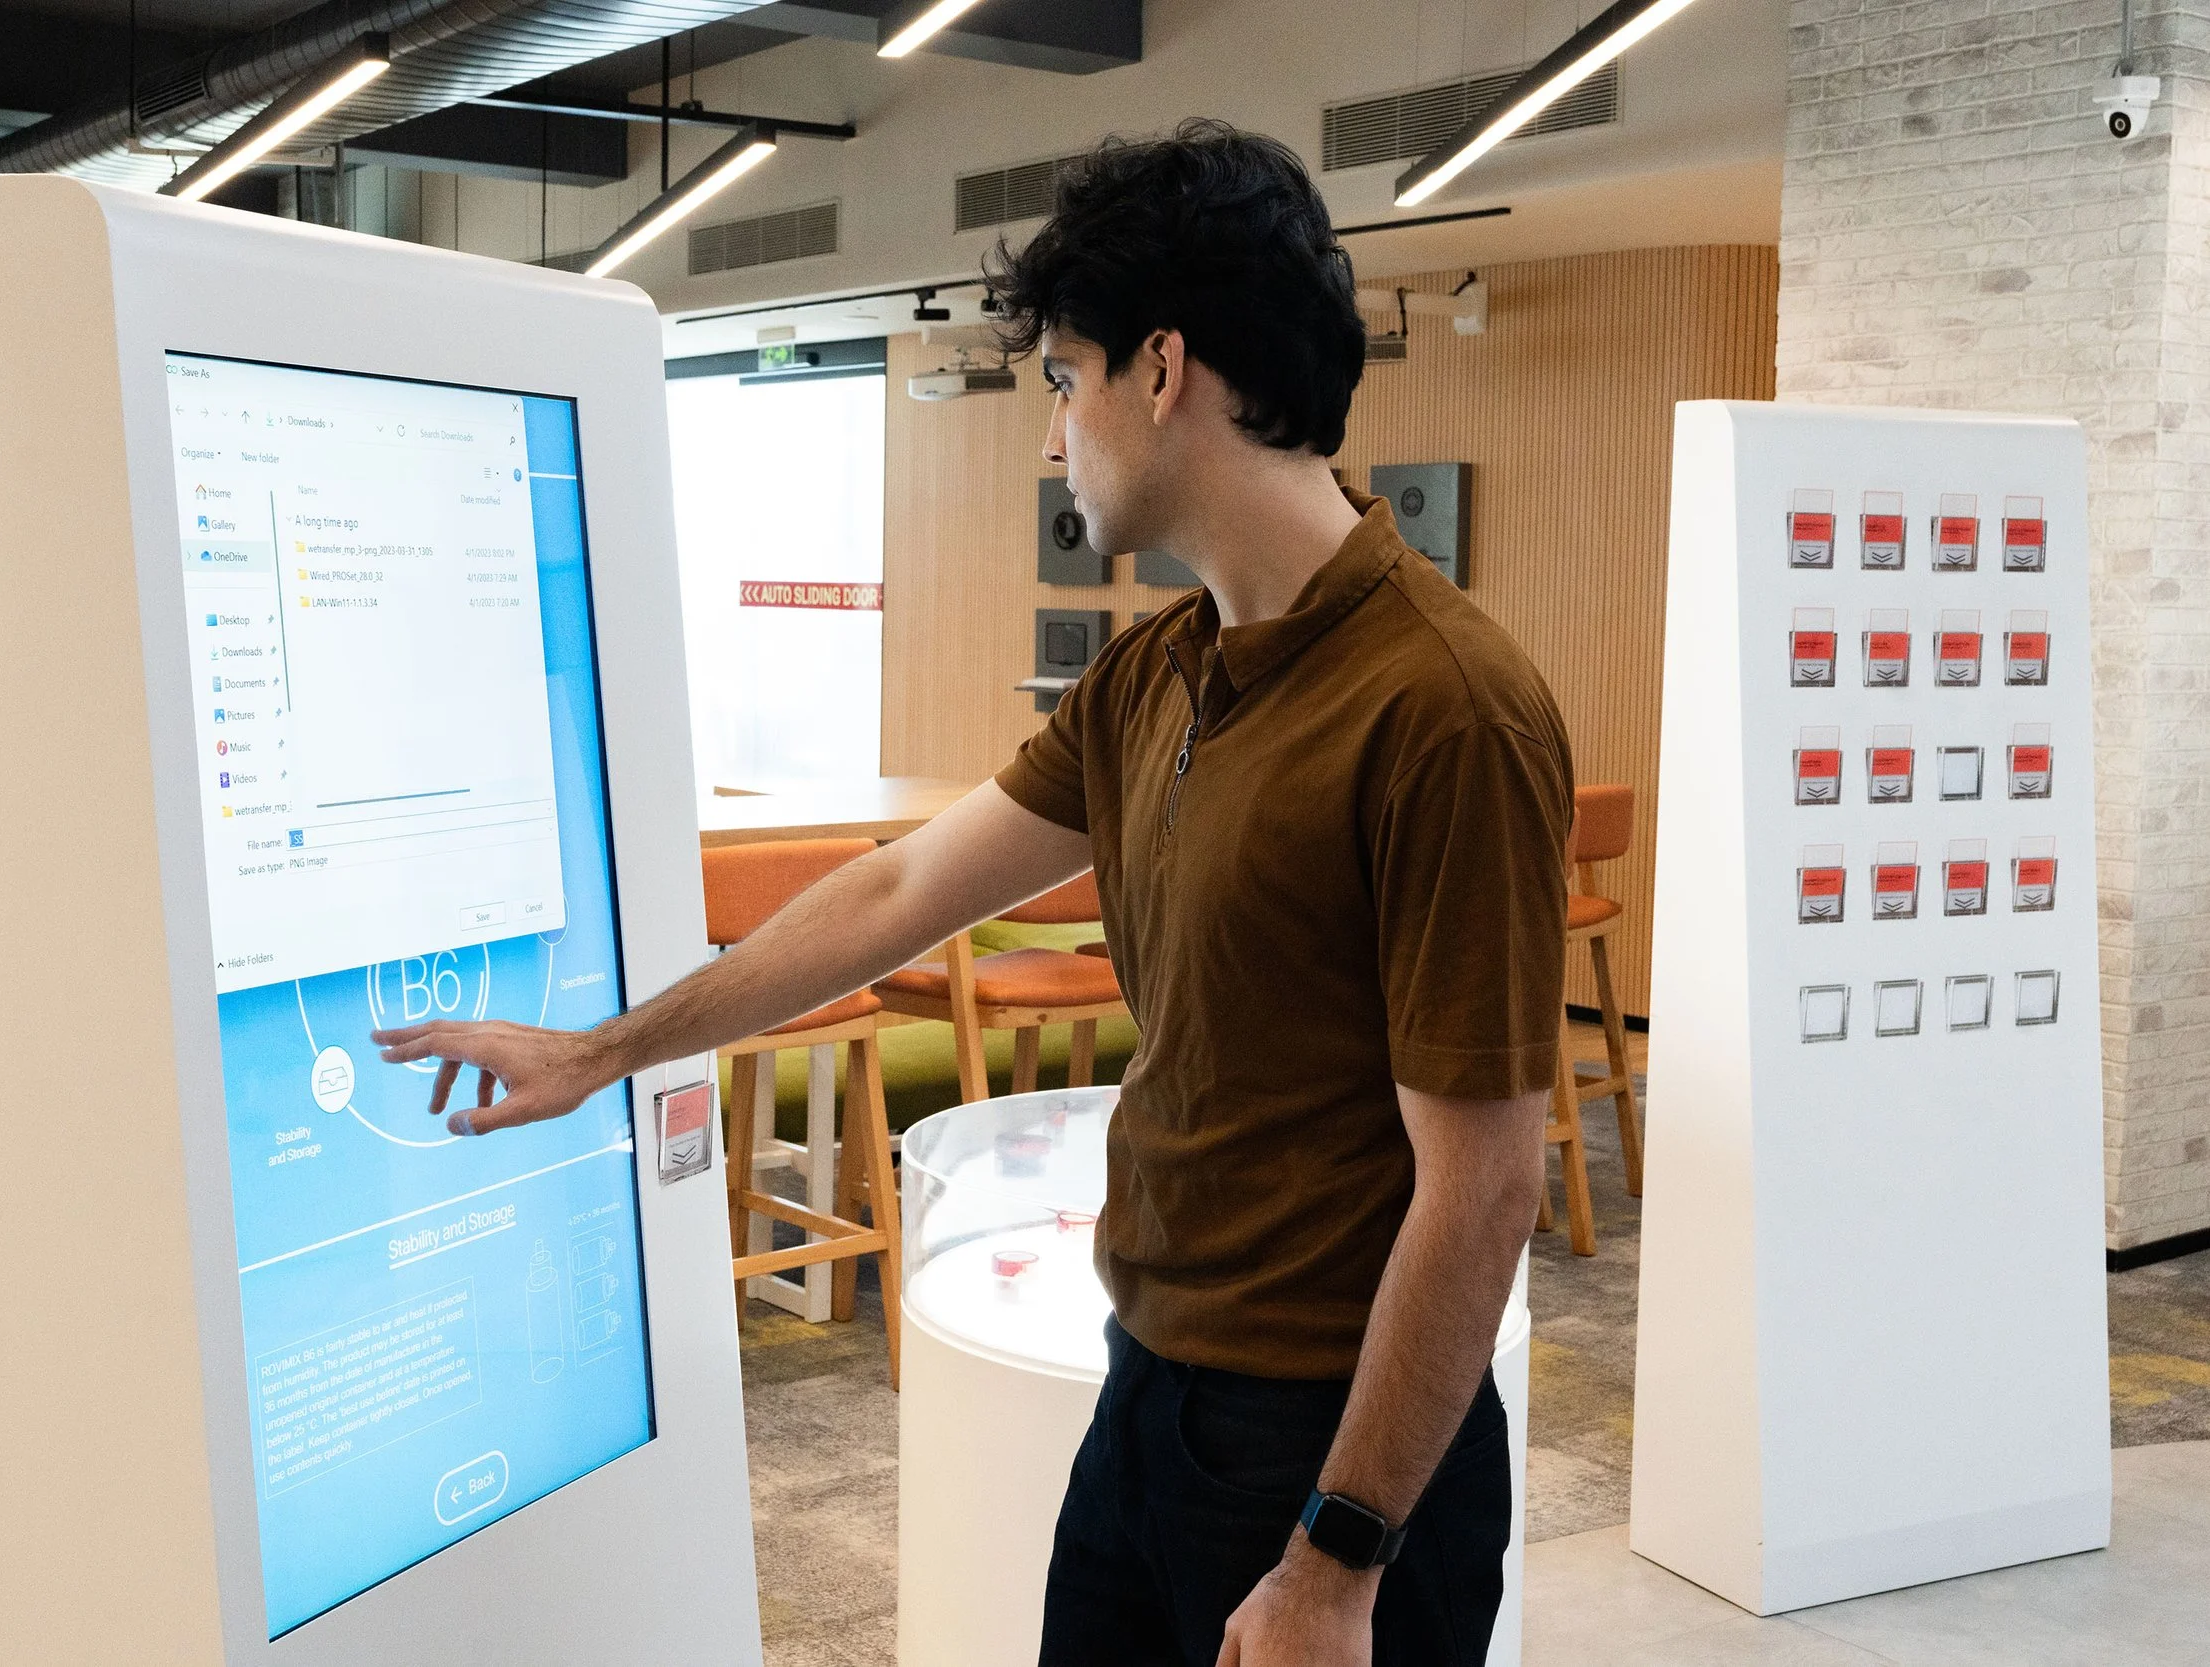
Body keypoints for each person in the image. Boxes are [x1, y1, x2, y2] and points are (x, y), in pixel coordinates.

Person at [373, 118, 1570, 1667]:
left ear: (1161, 369)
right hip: (1150, 1399)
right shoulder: (1155, 674)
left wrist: (1338, 1559)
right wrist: (603, 1048)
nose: (1055, 437)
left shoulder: (1445, 707)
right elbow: (900, 891)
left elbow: (1484, 1186)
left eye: (1064, 382)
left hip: (1334, 1466)